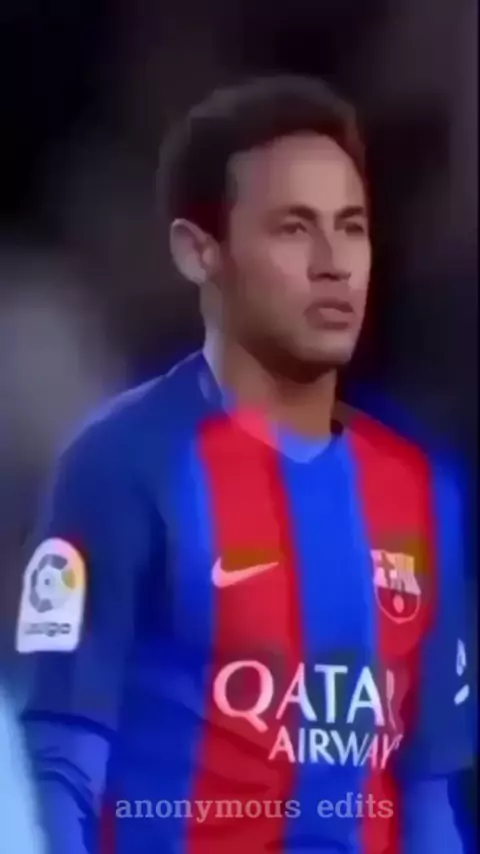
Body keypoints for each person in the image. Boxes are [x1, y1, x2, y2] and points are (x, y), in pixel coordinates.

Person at [16, 75, 472, 853]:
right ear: (201, 253)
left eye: (352, 227)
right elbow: (61, 762)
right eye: (294, 228)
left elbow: (430, 790)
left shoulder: (421, 492)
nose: (334, 263)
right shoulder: (124, 466)